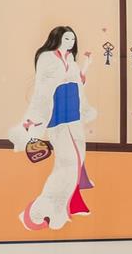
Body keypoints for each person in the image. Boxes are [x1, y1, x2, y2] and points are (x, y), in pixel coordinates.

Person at [8, 26, 95, 230]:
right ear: (56, 38)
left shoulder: (71, 61)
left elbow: (77, 83)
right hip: (58, 113)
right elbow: (41, 88)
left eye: (73, 39)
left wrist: (84, 69)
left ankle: (62, 206)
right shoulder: (47, 57)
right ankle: (44, 206)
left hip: (74, 113)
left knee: (77, 160)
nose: (70, 42)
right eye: (66, 38)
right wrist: (34, 122)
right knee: (68, 162)